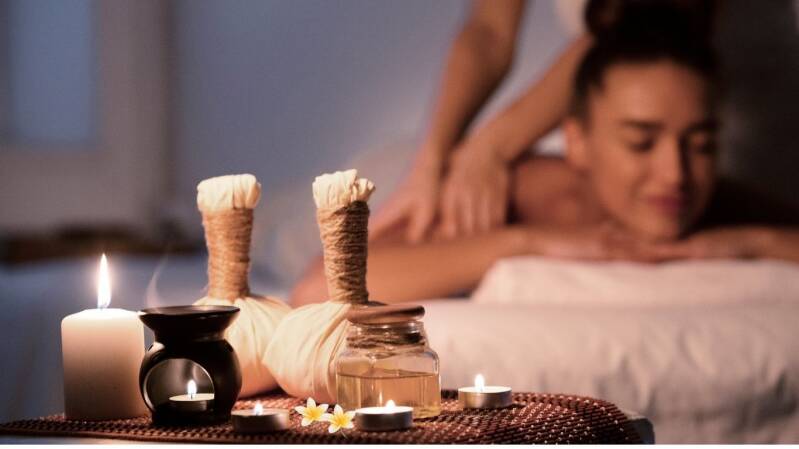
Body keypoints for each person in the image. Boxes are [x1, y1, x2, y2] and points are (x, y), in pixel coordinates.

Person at [290, 3, 799, 305]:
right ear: (577, 142)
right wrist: (523, 239)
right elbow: (319, 288)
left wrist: (751, 242)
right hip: (390, 174)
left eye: (702, 144)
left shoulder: (707, 196)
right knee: (296, 223)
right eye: (640, 142)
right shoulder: (524, 194)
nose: (675, 174)